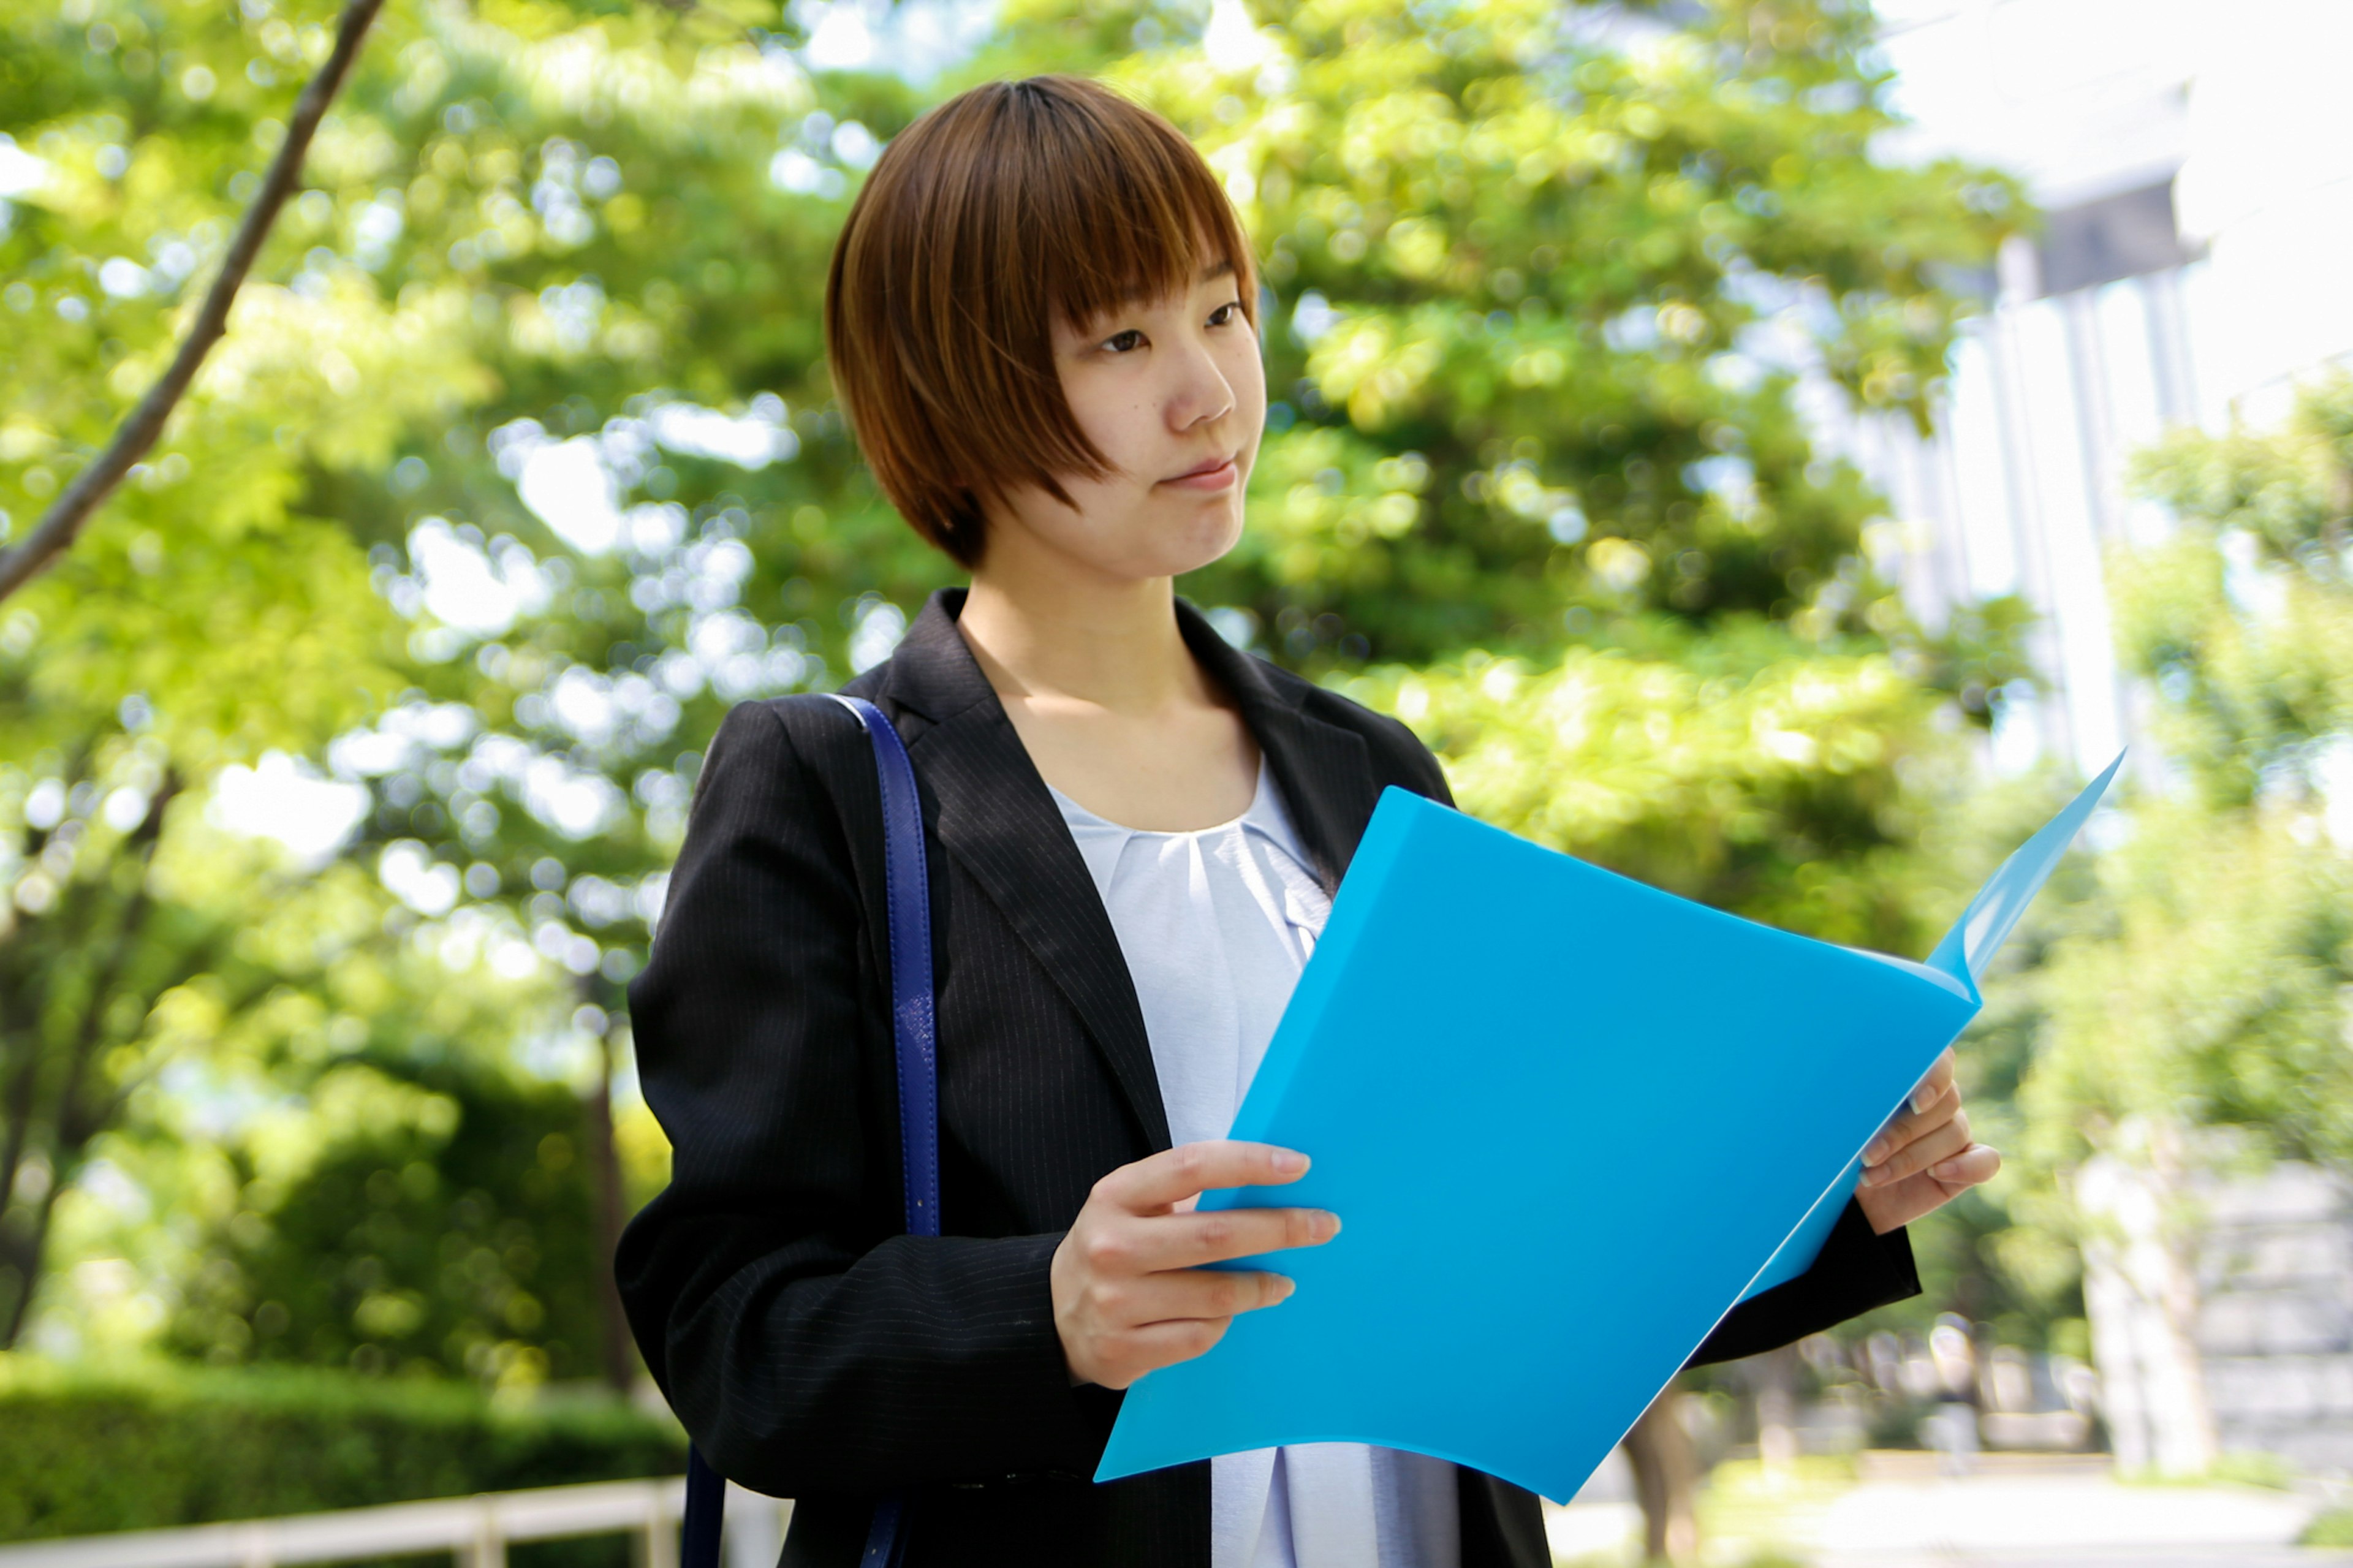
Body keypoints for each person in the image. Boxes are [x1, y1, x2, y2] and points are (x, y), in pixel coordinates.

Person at [616, 74, 2001, 1568]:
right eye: (1124, 341)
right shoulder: (826, 784)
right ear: (958, 393)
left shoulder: (1364, 770)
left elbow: (1517, 1258)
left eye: (1222, 311)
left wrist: (1810, 1192)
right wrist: (1052, 1312)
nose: (1210, 390)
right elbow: (734, 1330)